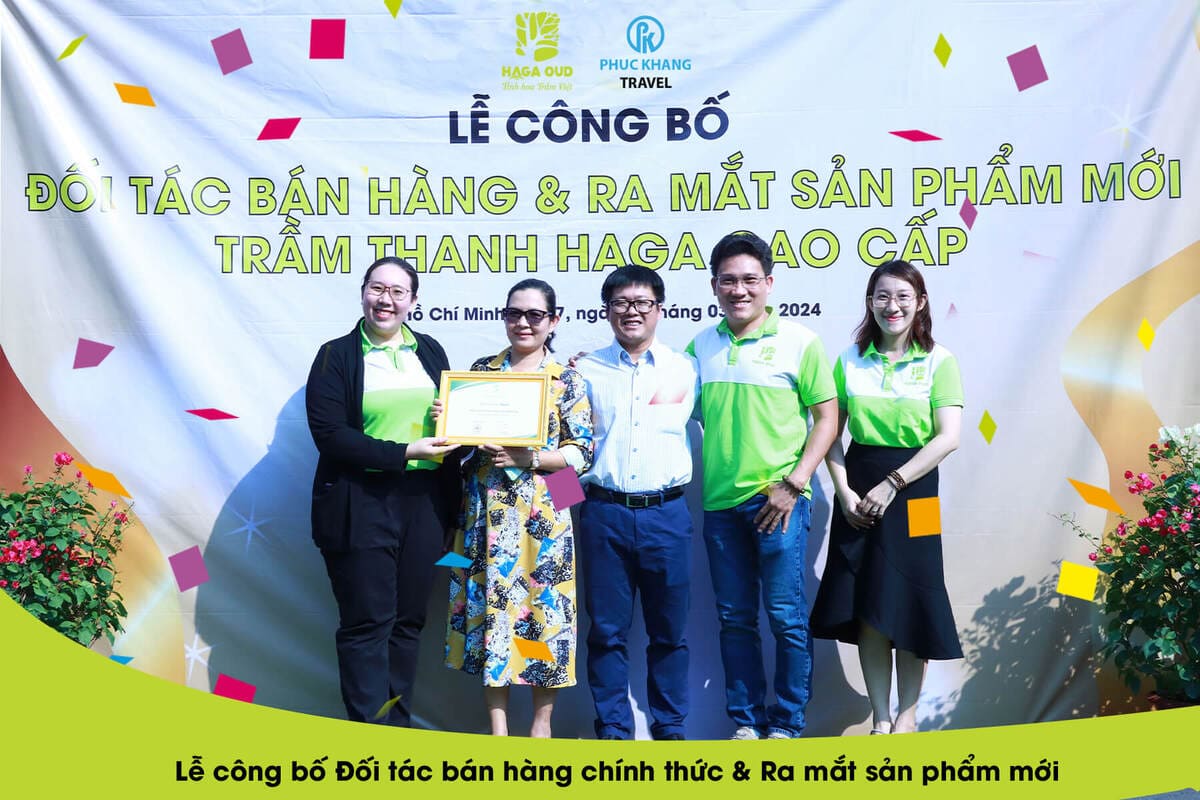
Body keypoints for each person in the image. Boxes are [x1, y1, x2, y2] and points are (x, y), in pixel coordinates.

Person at [687, 231, 838, 739]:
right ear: (714, 286)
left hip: (781, 501)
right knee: (734, 620)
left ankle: (788, 723)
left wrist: (795, 483)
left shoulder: (800, 342)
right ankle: (747, 724)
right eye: (728, 280)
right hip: (720, 505)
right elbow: (657, 398)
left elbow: (827, 418)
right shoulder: (700, 346)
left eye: (750, 279)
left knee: (786, 616)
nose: (739, 290)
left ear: (769, 284)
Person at [305, 256, 461, 726]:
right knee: (367, 624)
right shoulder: (336, 356)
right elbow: (330, 435)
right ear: (362, 293)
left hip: (425, 502)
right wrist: (405, 451)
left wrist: (454, 423)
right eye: (377, 288)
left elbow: (452, 424)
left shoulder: (429, 349)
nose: (385, 300)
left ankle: (398, 732)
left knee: (408, 623)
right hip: (361, 501)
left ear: (413, 300)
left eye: (397, 291)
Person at [810, 260, 963, 735]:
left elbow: (948, 437)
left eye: (902, 296)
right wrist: (844, 492)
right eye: (882, 296)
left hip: (917, 491)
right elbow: (829, 432)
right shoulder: (848, 360)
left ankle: (907, 717)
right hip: (859, 489)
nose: (891, 306)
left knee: (913, 600)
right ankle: (880, 718)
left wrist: (894, 482)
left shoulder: (939, 361)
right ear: (869, 302)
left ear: (920, 302)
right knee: (870, 607)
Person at [444, 278, 593, 737]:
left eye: (535, 315)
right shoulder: (481, 370)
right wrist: (450, 425)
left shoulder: (568, 379)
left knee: (546, 617)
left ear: (554, 320)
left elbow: (582, 455)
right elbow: (459, 447)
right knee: (494, 615)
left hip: (546, 514)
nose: (523, 323)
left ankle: (541, 726)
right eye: (514, 313)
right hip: (485, 513)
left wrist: (533, 459)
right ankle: (498, 729)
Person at [574, 265, 699, 741]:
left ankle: (670, 729)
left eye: (642, 302)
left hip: (668, 515)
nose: (632, 311)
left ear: (659, 310)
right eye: (621, 303)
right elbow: (567, 446)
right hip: (601, 514)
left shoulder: (687, 369)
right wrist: (571, 508)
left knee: (671, 633)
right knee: (606, 632)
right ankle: (613, 730)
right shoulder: (583, 371)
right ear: (606, 311)